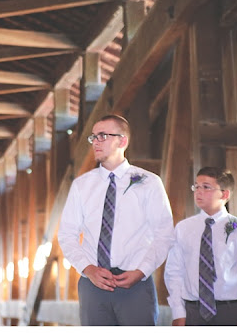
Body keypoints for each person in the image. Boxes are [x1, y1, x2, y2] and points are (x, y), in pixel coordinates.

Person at [58, 114, 174, 325]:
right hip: (93, 285)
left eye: (102, 136)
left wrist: (141, 271)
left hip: (136, 285)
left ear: (122, 141)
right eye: (93, 137)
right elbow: (67, 234)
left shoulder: (149, 182)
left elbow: (164, 234)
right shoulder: (81, 185)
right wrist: (88, 269)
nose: (96, 142)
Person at [164, 167, 237, 326]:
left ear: (225, 194)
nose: (198, 191)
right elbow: (174, 272)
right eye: (196, 186)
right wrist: (178, 312)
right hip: (193, 311)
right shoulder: (183, 228)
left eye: (206, 187)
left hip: (231, 311)